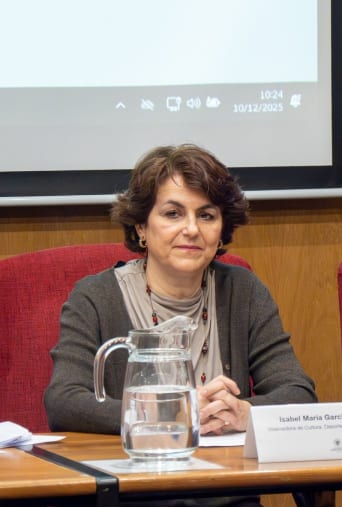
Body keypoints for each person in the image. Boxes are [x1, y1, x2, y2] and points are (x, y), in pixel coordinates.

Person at [44, 144, 318, 506]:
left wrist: (245, 412)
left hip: (229, 497)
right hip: (135, 496)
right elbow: (64, 401)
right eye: (173, 213)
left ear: (221, 231)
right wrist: (175, 413)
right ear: (141, 226)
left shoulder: (243, 290)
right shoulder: (96, 296)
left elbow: (298, 393)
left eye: (206, 216)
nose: (191, 229)